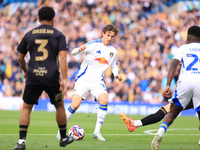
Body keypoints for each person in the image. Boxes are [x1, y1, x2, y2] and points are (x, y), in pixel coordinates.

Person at [13, 6, 74, 150]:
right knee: (59, 106)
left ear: (38, 19)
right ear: (54, 19)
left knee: (27, 108)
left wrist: (26, 71)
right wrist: (64, 79)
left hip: (34, 76)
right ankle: (63, 138)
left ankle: (21, 142)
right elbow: (63, 57)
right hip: (52, 77)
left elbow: (20, 57)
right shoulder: (59, 35)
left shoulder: (29, 34)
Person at [56, 24, 122, 141]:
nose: (110, 38)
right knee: (75, 104)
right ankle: (61, 130)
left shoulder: (113, 51)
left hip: (97, 81)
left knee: (104, 100)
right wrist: (79, 50)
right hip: (83, 80)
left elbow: (114, 65)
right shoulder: (93, 44)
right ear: (103, 33)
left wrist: (116, 73)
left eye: (112, 36)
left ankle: (97, 131)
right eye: (108, 35)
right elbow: (73, 52)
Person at [151, 25, 200, 150]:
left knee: (173, 111)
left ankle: (161, 131)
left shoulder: (183, 48)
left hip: (185, 80)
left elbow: (174, 64)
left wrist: (168, 84)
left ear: (188, 38)